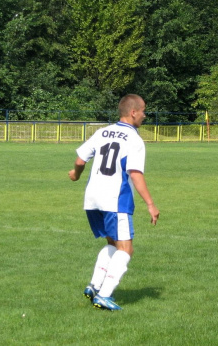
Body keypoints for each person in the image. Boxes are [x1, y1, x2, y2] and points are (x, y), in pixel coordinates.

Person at [69, 94, 160, 311]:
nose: (145, 115)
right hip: (115, 199)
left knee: (112, 244)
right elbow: (135, 173)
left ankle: (93, 286)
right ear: (133, 112)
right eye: (143, 110)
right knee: (126, 249)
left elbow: (80, 160)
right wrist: (150, 203)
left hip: (92, 198)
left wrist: (76, 174)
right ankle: (105, 295)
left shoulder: (102, 132)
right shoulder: (134, 139)